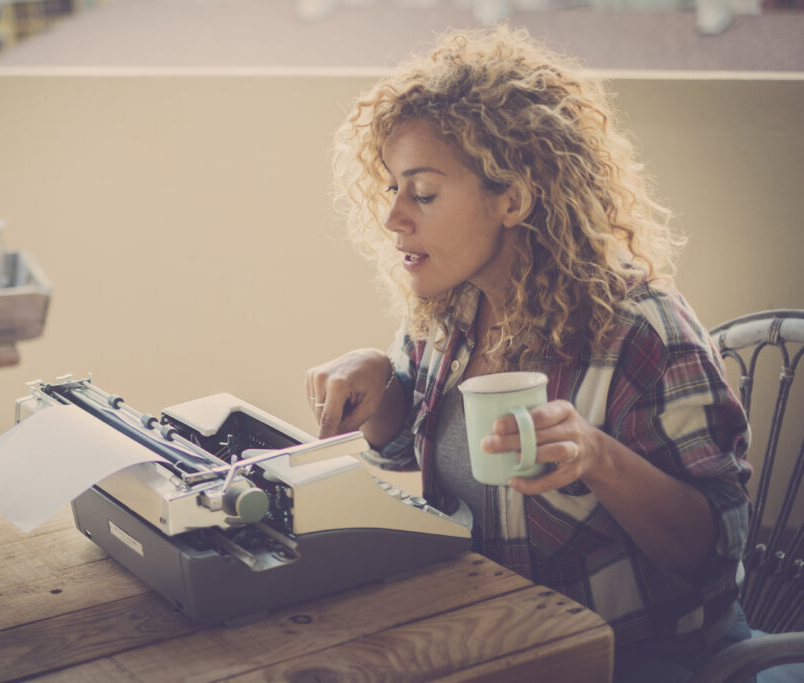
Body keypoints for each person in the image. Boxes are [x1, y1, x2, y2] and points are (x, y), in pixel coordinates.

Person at [305, 25, 753, 682]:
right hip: (499, 639)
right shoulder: (451, 307)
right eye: (393, 189)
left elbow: (714, 550)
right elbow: (405, 445)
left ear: (511, 199)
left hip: (637, 657)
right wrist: (381, 386)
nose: (394, 216)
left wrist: (596, 456)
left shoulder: (638, 328)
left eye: (423, 192)